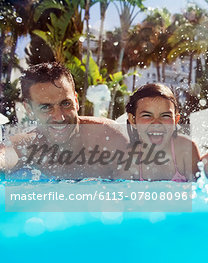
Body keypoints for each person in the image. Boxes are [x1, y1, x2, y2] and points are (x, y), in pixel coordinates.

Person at [0, 62, 128, 179]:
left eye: (66, 104)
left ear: (76, 101)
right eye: (46, 107)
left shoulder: (110, 138)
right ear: (29, 110)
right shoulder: (26, 146)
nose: (59, 117)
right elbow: (4, 157)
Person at [115, 83, 200, 181]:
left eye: (165, 116)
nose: (156, 123)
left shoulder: (185, 150)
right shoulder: (128, 159)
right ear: (133, 120)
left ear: (176, 120)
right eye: (147, 115)